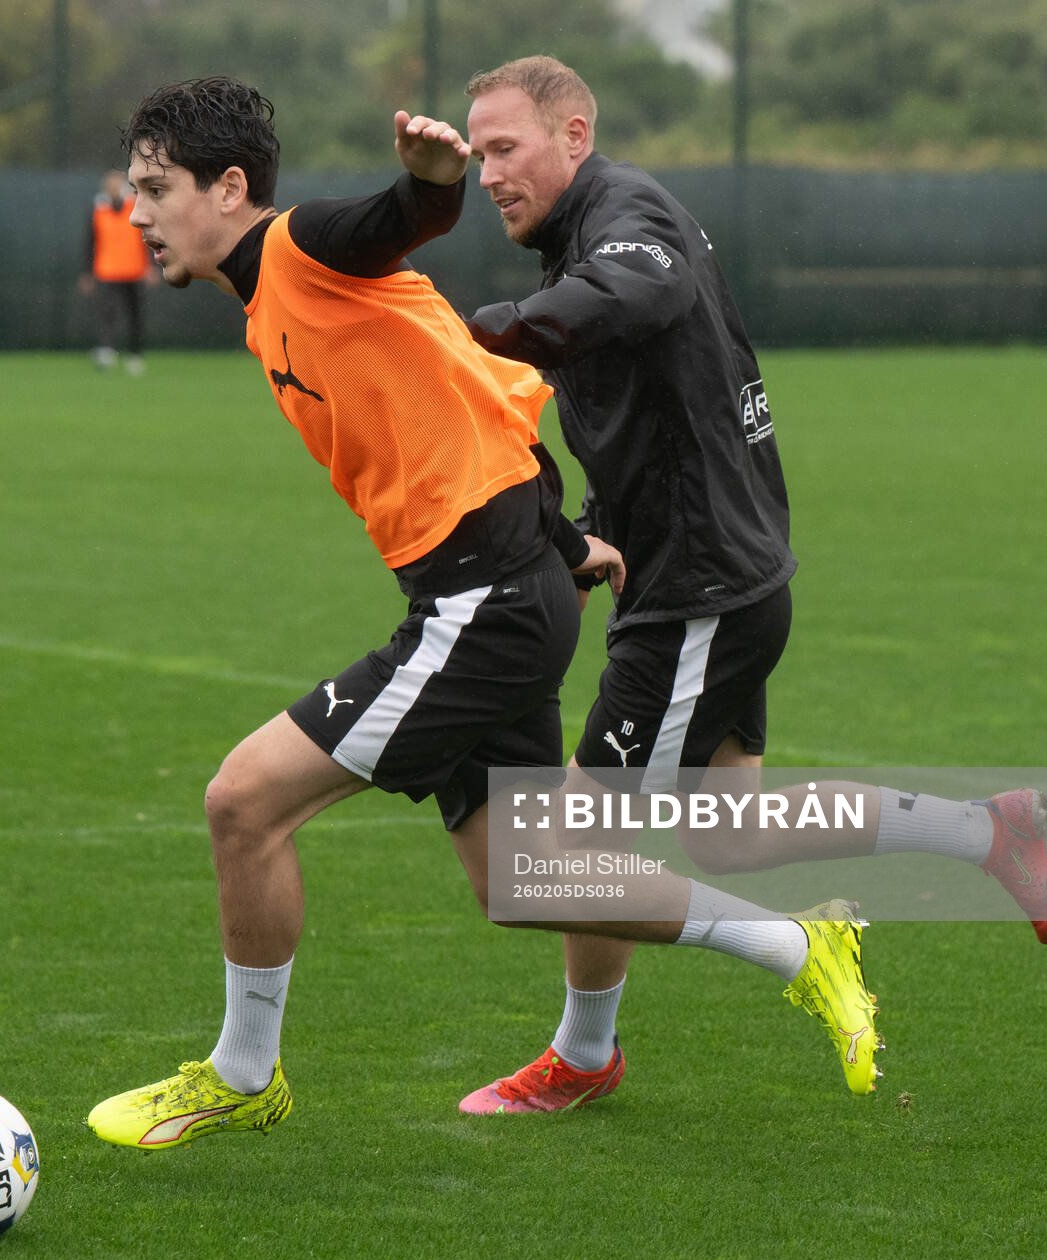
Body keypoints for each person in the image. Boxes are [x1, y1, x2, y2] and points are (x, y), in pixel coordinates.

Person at [86, 76, 887, 1154]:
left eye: (156, 187)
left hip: (483, 604)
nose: (138, 211)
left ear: (231, 189)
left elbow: (396, 220)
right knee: (525, 879)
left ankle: (241, 1073)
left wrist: (429, 183)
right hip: (492, 586)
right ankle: (795, 949)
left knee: (243, 802)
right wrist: (563, 542)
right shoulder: (278, 303)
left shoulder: (299, 249)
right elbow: (482, 407)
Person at [452, 55, 1047, 1115]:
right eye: (476, 156)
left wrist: (481, 331)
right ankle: (988, 829)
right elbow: (650, 403)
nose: (486, 173)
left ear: (575, 136)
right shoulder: (579, 237)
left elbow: (646, 287)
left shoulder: (625, 212)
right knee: (734, 831)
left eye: (504, 148)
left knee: (568, 854)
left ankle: (586, 1055)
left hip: (700, 586)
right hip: (714, 570)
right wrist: (597, 525)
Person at [79, 168, 157, 374]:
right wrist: (87, 272)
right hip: (106, 270)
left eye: (117, 183)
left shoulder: (135, 206)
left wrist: (151, 266)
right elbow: (90, 243)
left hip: (134, 269)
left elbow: (148, 238)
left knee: (135, 315)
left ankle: (135, 355)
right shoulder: (98, 209)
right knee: (107, 313)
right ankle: (106, 351)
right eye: (110, 184)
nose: (114, 187)